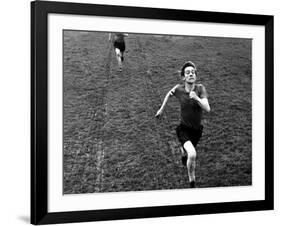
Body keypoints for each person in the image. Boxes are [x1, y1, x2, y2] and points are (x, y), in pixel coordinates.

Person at [155, 61, 210, 188]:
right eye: (187, 72)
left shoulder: (200, 89)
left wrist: (196, 98)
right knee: (193, 154)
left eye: (193, 72)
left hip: (197, 130)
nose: (191, 74)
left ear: (195, 75)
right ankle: (192, 182)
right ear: (184, 77)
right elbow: (169, 94)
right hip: (183, 129)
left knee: (188, 151)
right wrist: (161, 110)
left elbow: (207, 108)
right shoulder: (179, 89)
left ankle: (183, 151)